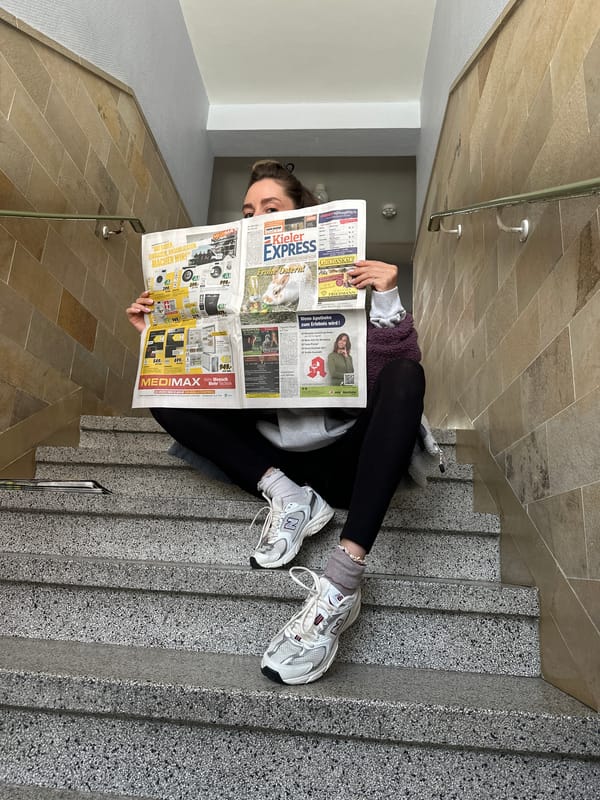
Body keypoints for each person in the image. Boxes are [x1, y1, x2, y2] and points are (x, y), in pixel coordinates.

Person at [126, 160, 425, 686]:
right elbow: (203, 382)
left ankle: (340, 583)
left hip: (347, 459)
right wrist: (159, 334)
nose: (255, 216)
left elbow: (385, 378)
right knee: (161, 397)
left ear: (300, 219)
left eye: (271, 208)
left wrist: (387, 300)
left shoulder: (346, 279)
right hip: (275, 456)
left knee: (405, 376)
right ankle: (288, 496)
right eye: (248, 211)